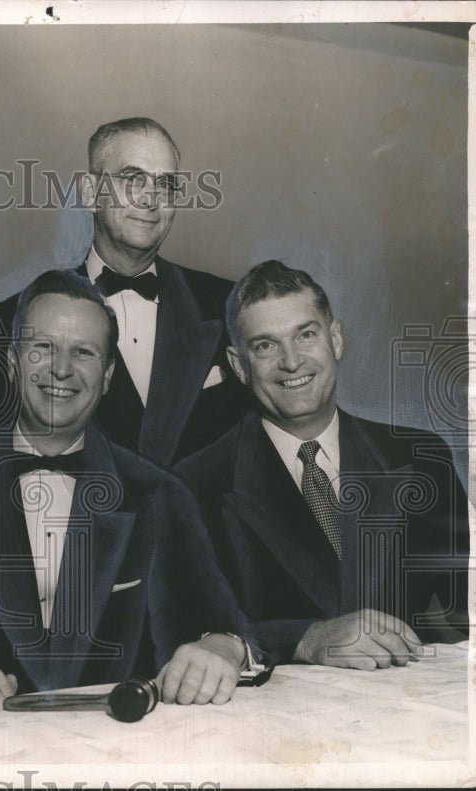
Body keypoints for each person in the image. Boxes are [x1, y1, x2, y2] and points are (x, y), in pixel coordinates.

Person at [0, 269, 266, 710]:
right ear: (13, 362)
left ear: (108, 375)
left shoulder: (160, 493)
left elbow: (229, 633)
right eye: (43, 348)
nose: (61, 368)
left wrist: (225, 647)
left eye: (83, 352)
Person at [176, 260, 469, 668]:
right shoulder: (191, 485)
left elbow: (463, 622)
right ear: (239, 365)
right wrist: (307, 638)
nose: (292, 362)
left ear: (335, 339)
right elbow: (187, 634)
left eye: (306, 335)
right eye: (265, 345)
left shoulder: (423, 459)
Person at [0, 117, 248, 464]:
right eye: (133, 180)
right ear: (90, 192)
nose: (150, 199)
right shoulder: (12, 315)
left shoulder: (226, 304)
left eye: (166, 185)